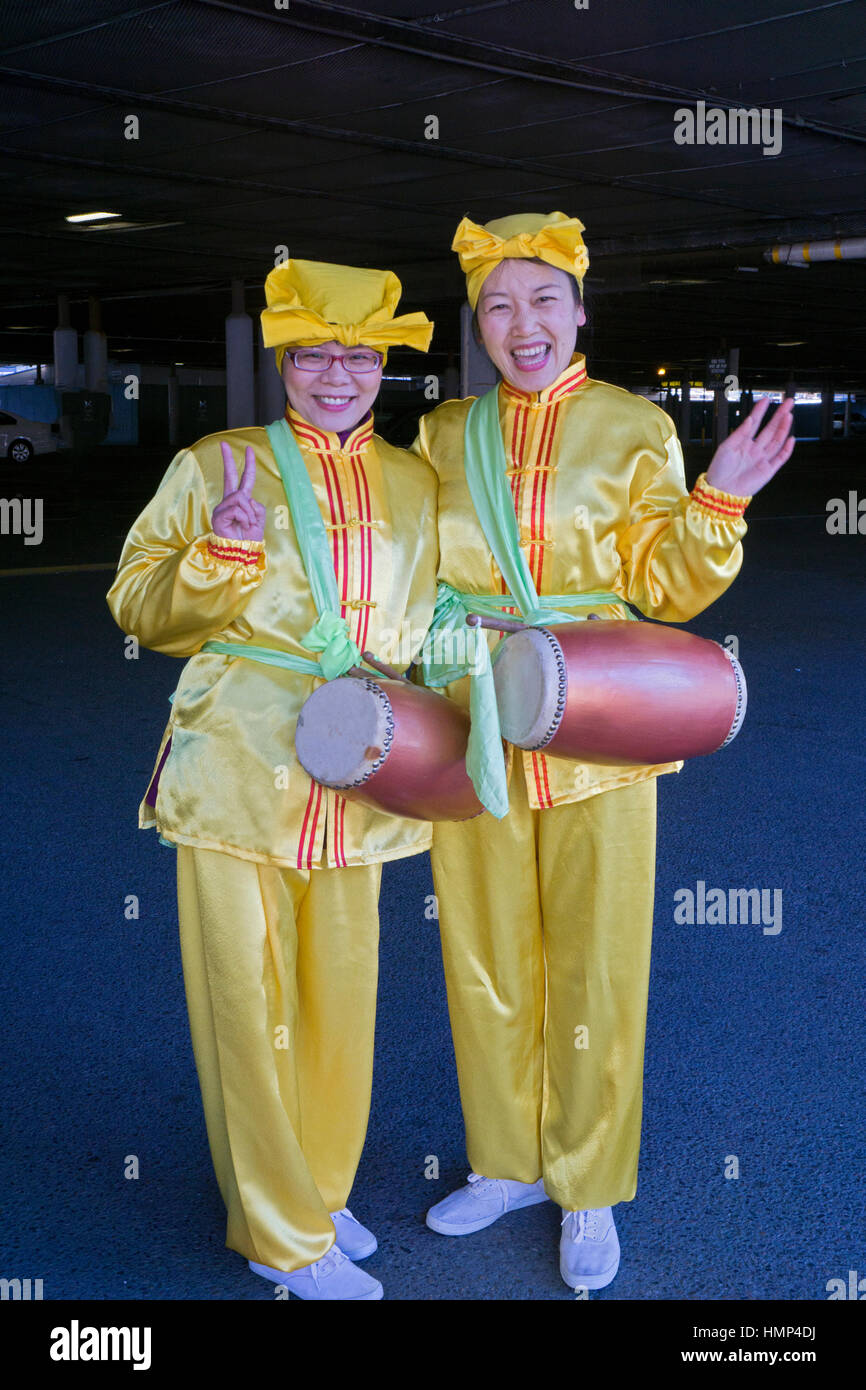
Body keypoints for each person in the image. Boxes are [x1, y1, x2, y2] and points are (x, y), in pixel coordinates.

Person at [412, 211, 794, 1293]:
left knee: (597, 958)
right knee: (481, 952)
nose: (520, 324)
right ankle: (505, 1161)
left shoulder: (632, 426)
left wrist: (718, 494)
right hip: (472, 713)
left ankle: (586, 1184)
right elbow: (403, 571)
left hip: (597, 720)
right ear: (477, 323)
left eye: (542, 301)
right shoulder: (444, 436)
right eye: (498, 305)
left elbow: (666, 585)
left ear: (579, 310)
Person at [106, 258, 437, 1300]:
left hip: (360, 771)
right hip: (238, 773)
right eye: (312, 355)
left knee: (343, 999)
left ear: (379, 366)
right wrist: (221, 555)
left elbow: (436, 622)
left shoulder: (414, 481)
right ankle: (277, 1234)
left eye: (355, 356)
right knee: (245, 1007)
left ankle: (318, 1191)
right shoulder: (217, 463)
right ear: (282, 361)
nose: (334, 375)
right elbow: (137, 605)